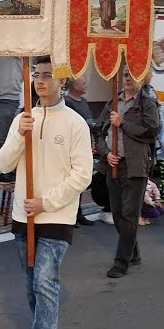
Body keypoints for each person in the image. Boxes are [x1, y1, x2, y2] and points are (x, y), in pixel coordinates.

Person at [0, 56, 93, 329]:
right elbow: (3, 163)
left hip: (55, 216)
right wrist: (18, 135)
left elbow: (83, 175)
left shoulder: (74, 123)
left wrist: (47, 202)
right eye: (36, 75)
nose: (40, 80)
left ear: (61, 81)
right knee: (31, 286)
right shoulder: (25, 118)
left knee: (45, 283)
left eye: (48, 75)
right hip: (23, 217)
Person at [94, 69, 160, 278]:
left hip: (135, 165)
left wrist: (123, 123)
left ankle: (121, 262)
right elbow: (98, 131)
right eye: (125, 75)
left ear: (142, 78)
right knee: (118, 213)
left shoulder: (146, 103)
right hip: (113, 164)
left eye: (133, 74)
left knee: (130, 214)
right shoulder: (113, 102)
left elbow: (151, 132)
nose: (129, 78)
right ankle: (134, 252)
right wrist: (106, 153)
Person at [62, 76, 97, 226]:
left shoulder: (83, 102)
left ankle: (78, 212)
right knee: (70, 180)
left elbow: (88, 124)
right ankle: (69, 214)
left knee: (80, 180)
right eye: (83, 82)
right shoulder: (67, 102)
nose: (86, 84)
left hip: (83, 145)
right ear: (73, 85)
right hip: (71, 146)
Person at [0, 56, 24, 182]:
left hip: (8, 99)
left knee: (5, 139)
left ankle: (12, 172)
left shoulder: (16, 46)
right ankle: (5, 169)